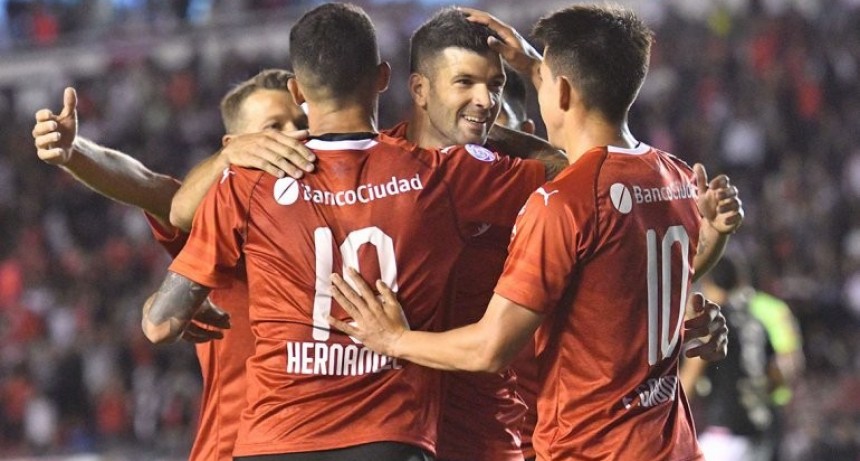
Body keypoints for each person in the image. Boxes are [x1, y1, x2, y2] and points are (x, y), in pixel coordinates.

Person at [328, 5, 743, 461]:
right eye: (465, 82)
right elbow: (635, 280)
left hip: (574, 448)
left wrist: (394, 339)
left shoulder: (560, 198)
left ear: (560, 90)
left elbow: (491, 348)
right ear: (419, 89)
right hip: (668, 447)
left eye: (499, 85)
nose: (486, 102)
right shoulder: (674, 176)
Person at [141, 3, 547, 460]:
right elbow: (577, 169)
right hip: (387, 439)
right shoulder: (442, 174)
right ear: (384, 78)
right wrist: (533, 74)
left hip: (274, 440)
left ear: (297, 90)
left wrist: (179, 304)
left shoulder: (246, 182)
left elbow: (159, 324)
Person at [31, 69, 313, 461]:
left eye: (301, 122)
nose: (294, 135)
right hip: (234, 449)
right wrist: (76, 153)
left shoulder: (356, 210)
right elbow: (151, 186)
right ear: (234, 146)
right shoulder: (219, 221)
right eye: (273, 128)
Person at [680, 252, 803, 461]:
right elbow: (779, 373)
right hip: (761, 433)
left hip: (725, 436)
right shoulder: (757, 322)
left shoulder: (711, 325)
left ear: (707, 284)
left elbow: (687, 385)